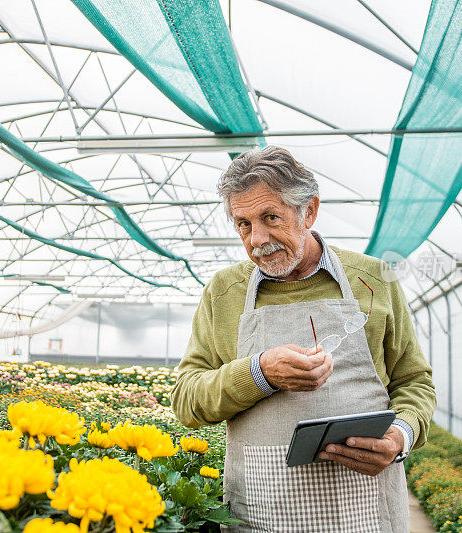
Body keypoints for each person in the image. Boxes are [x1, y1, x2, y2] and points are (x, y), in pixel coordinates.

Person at [170, 146, 436, 532]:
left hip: (363, 509)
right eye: (243, 224)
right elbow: (185, 400)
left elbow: (414, 382)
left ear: (309, 211)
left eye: (270, 217)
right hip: (262, 512)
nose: (257, 239)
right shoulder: (224, 292)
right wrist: (259, 373)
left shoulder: (374, 279)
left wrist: (400, 435)